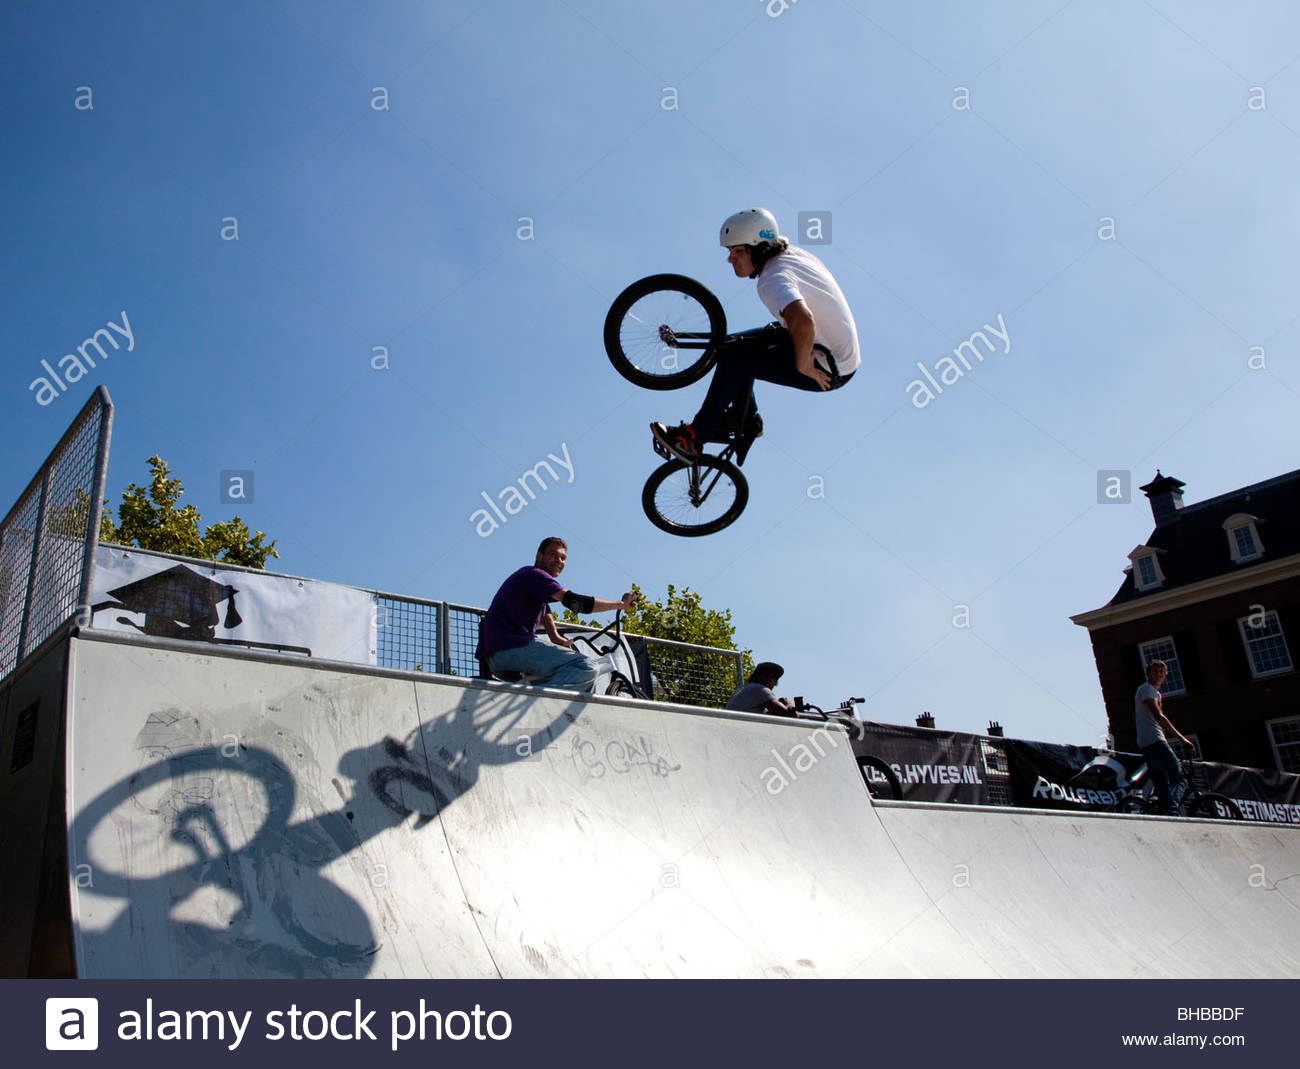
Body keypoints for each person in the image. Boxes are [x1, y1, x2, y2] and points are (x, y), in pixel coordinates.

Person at [651, 208, 861, 461]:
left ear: (758, 249)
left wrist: (804, 365)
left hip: (828, 367)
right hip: (828, 347)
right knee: (729, 346)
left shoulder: (771, 280)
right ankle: (747, 419)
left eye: (737, 251)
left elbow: (804, 322)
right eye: (729, 252)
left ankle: (695, 438)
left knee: (735, 362)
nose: (730, 259)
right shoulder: (789, 255)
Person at [475, 536, 637, 693]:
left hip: (500, 657)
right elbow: (575, 602)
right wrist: (620, 605)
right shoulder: (534, 575)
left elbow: (545, 610)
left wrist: (555, 637)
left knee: (586, 682)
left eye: (563, 558)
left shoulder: (534, 586)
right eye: (553, 555)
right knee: (585, 666)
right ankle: (540, 703)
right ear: (539, 555)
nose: (559, 561)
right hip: (510, 648)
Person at [1135, 659, 1192, 815]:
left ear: (1165, 675)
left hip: (1147, 741)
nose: (1158, 674)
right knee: (1179, 778)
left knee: (1161, 781)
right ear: (1149, 673)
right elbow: (1159, 716)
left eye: (1161, 671)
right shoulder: (1147, 689)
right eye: (1155, 670)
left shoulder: (1156, 693)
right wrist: (1182, 739)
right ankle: (1172, 811)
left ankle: (1162, 811)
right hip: (1154, 738)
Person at [726, 661, 796, 717]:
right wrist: (789, 704)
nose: (769, 679)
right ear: (757, 676)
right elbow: (790, 716)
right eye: (766, 674)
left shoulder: (742, 690)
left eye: (774, 677)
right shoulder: (759, 689)